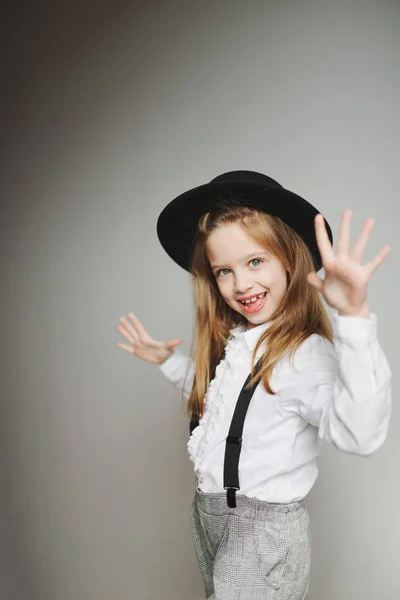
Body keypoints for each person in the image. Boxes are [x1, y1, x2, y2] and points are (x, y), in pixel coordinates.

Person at [117, 171, 392, 600]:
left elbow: (359, 434)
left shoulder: (304, 354)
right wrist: (169, 361)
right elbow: (226, 399)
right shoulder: (242, 341)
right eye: (224, 270)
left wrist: (354, 319)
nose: (241, 284)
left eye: (255, 261)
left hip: (261, 530)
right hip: (211, 516)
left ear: (289, 259)